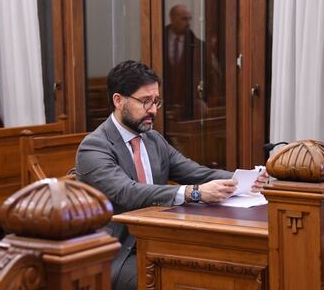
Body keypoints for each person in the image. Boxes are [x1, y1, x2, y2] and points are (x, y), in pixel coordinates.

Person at [75, 60, 267, 290]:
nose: (153, 110)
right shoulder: (95, 147)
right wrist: (194, 193)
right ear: (118, 100)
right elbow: (128, 192)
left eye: (156, 101)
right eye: (145, 101)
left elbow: (195, 172)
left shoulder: (153, 139)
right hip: (117, 252)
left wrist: (243, 179)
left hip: (160, 239)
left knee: (227, 267)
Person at [164, 4, 203, 121]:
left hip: (189, 107)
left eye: (189, 18)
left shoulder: (198, 46)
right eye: (183, 19)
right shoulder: (157, 41)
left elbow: (208, 75)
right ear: (172, 18)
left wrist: (203, 100)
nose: (188, 23)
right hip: (163, 105)